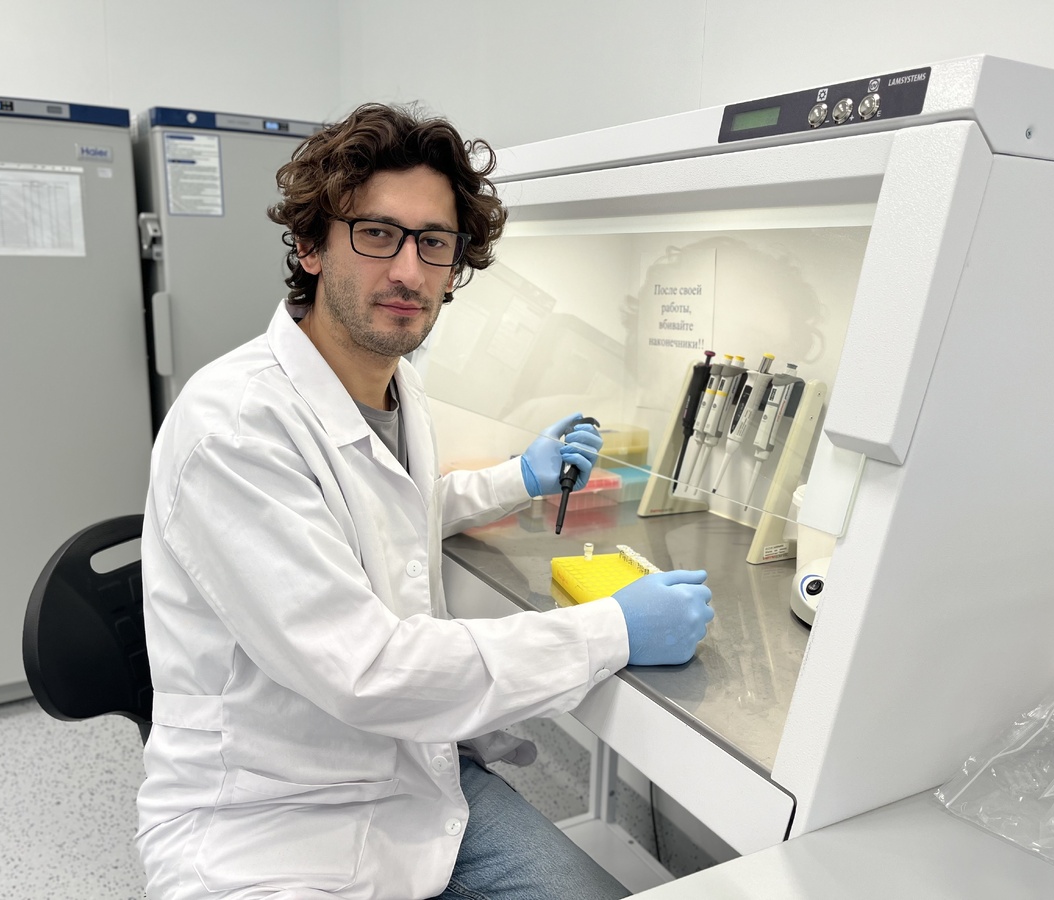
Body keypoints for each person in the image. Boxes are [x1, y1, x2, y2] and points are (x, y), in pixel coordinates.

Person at [135, 102, 714, 900]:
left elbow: (389, 508)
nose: (409, 271)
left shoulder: (397, 386)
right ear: (310, 246)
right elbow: (368, 670)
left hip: (415, 777)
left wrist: (520, 477)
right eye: (377, 234)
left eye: (434, 243)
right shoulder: (233, 429)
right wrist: (613, 627)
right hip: (269, 823)